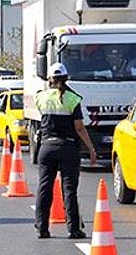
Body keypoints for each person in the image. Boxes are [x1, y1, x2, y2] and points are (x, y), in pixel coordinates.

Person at [34, 63, 97, 239]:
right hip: (68, 147)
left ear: (50, 79)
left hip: (46, 147)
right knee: (69, 189)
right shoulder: (73, 99)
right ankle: (73, 229)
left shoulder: (41, 98)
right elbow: (79, 128)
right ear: (67, 78)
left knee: (44, 187)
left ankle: (42, 227)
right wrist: (91, 148)